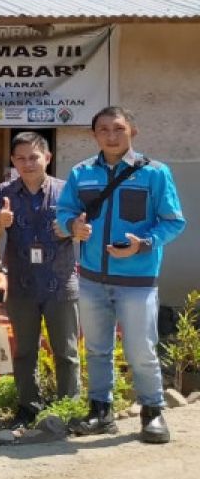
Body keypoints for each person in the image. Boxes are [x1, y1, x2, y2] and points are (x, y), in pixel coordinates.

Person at [57, 106, 186, 444]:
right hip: (90, 277)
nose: (111, 136)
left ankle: (152, 411)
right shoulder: (81, 172)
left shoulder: (155, 173)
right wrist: (73, 226)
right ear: (94, 135)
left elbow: (173, 221)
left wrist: (143, 244)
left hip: (137, 280)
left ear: (133, 131)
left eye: (118, 129)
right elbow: (64, 212)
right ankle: (101, 411)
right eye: (103, 130)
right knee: (97, 348)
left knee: (141, 348)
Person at [0, 132, 79, 429]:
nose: (28, 163)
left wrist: (74, 229)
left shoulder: (67, 191)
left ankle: (68, 409)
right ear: (13, 160)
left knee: (66, 352)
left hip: (60, 283)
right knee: (25, 352)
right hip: (22, 285)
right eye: (21, 158)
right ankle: (28, 408)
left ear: (47, 158)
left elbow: (83, 228)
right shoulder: (4, 192)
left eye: (34, 157)